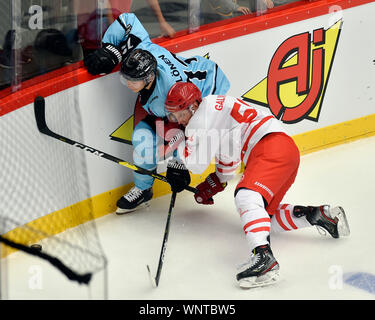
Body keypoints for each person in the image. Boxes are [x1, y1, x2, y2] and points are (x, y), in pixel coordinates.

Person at [164, 82, 350, 288]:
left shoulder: (199, 120)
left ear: (193, 106)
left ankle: (264, 259)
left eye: (179, 114)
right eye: (173, 116)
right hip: (284, 150)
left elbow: (196, 164)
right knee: (263, 218)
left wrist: (179, 143)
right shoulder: (212, 111)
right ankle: (318, 216)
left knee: (245, 197)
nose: (178, 121)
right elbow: (228, 156)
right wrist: (216, 181)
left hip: (269, 148)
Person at [83, 13, 230, 214]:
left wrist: (179, 164)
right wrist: (112, 49)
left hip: (207, 87)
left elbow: (191, 127)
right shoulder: (141, 52)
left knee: (171, 134)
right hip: (177, 100)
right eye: (125, 78)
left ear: (149, 78)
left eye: (132, 80)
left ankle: (151, 181)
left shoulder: (170, 93)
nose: (128, 83)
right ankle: (143, 189)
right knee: (141, 139)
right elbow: (128, 20)